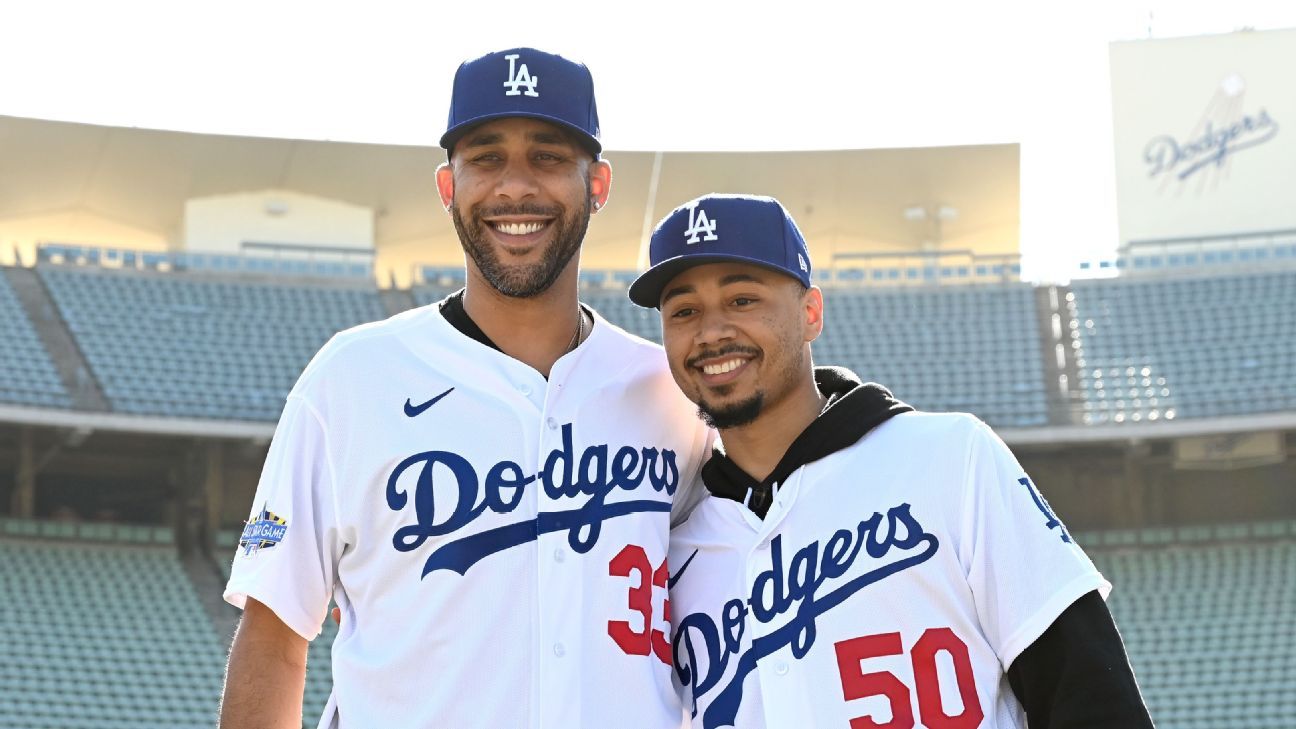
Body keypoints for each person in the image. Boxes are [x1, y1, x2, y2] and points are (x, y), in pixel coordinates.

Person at [219, 48, 710, 729]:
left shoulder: (670, 396)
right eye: (485, 157)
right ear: (448, 186)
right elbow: (275, 637)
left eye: (546, 156)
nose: (515, 187)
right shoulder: (351, 380)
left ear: (597, 184)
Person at [628, 194, 1155, 729]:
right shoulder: (671, 547)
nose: (712, 332)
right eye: (684, 311)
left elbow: (1087, 690)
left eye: (743, 300)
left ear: (811, 313)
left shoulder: (948, 458)